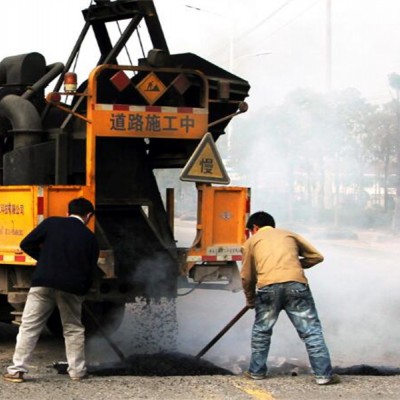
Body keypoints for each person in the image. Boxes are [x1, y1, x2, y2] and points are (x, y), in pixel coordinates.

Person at [3, 197, 99, 383]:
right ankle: (77, 372)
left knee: (29, 326)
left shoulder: (51, 223)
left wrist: (44, 260)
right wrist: (82, 292)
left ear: (67, 212)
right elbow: (90, 270)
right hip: (71, 287)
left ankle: (16, 371)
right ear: (88, 216)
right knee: (73, 329)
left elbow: (26, 243)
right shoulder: (90, 238)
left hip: (42, 282)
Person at [240, 211, 339, 385]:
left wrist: (250, 299)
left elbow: (247, 277)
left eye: (251, 230)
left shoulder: (250, 242)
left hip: (268, 288)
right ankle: (324, 375)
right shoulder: (289, 234)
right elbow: (317, 256)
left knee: (262, 332)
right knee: (311, 332)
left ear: (255, 227)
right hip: (296, 286)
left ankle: (256, 372)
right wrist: (293, 264)